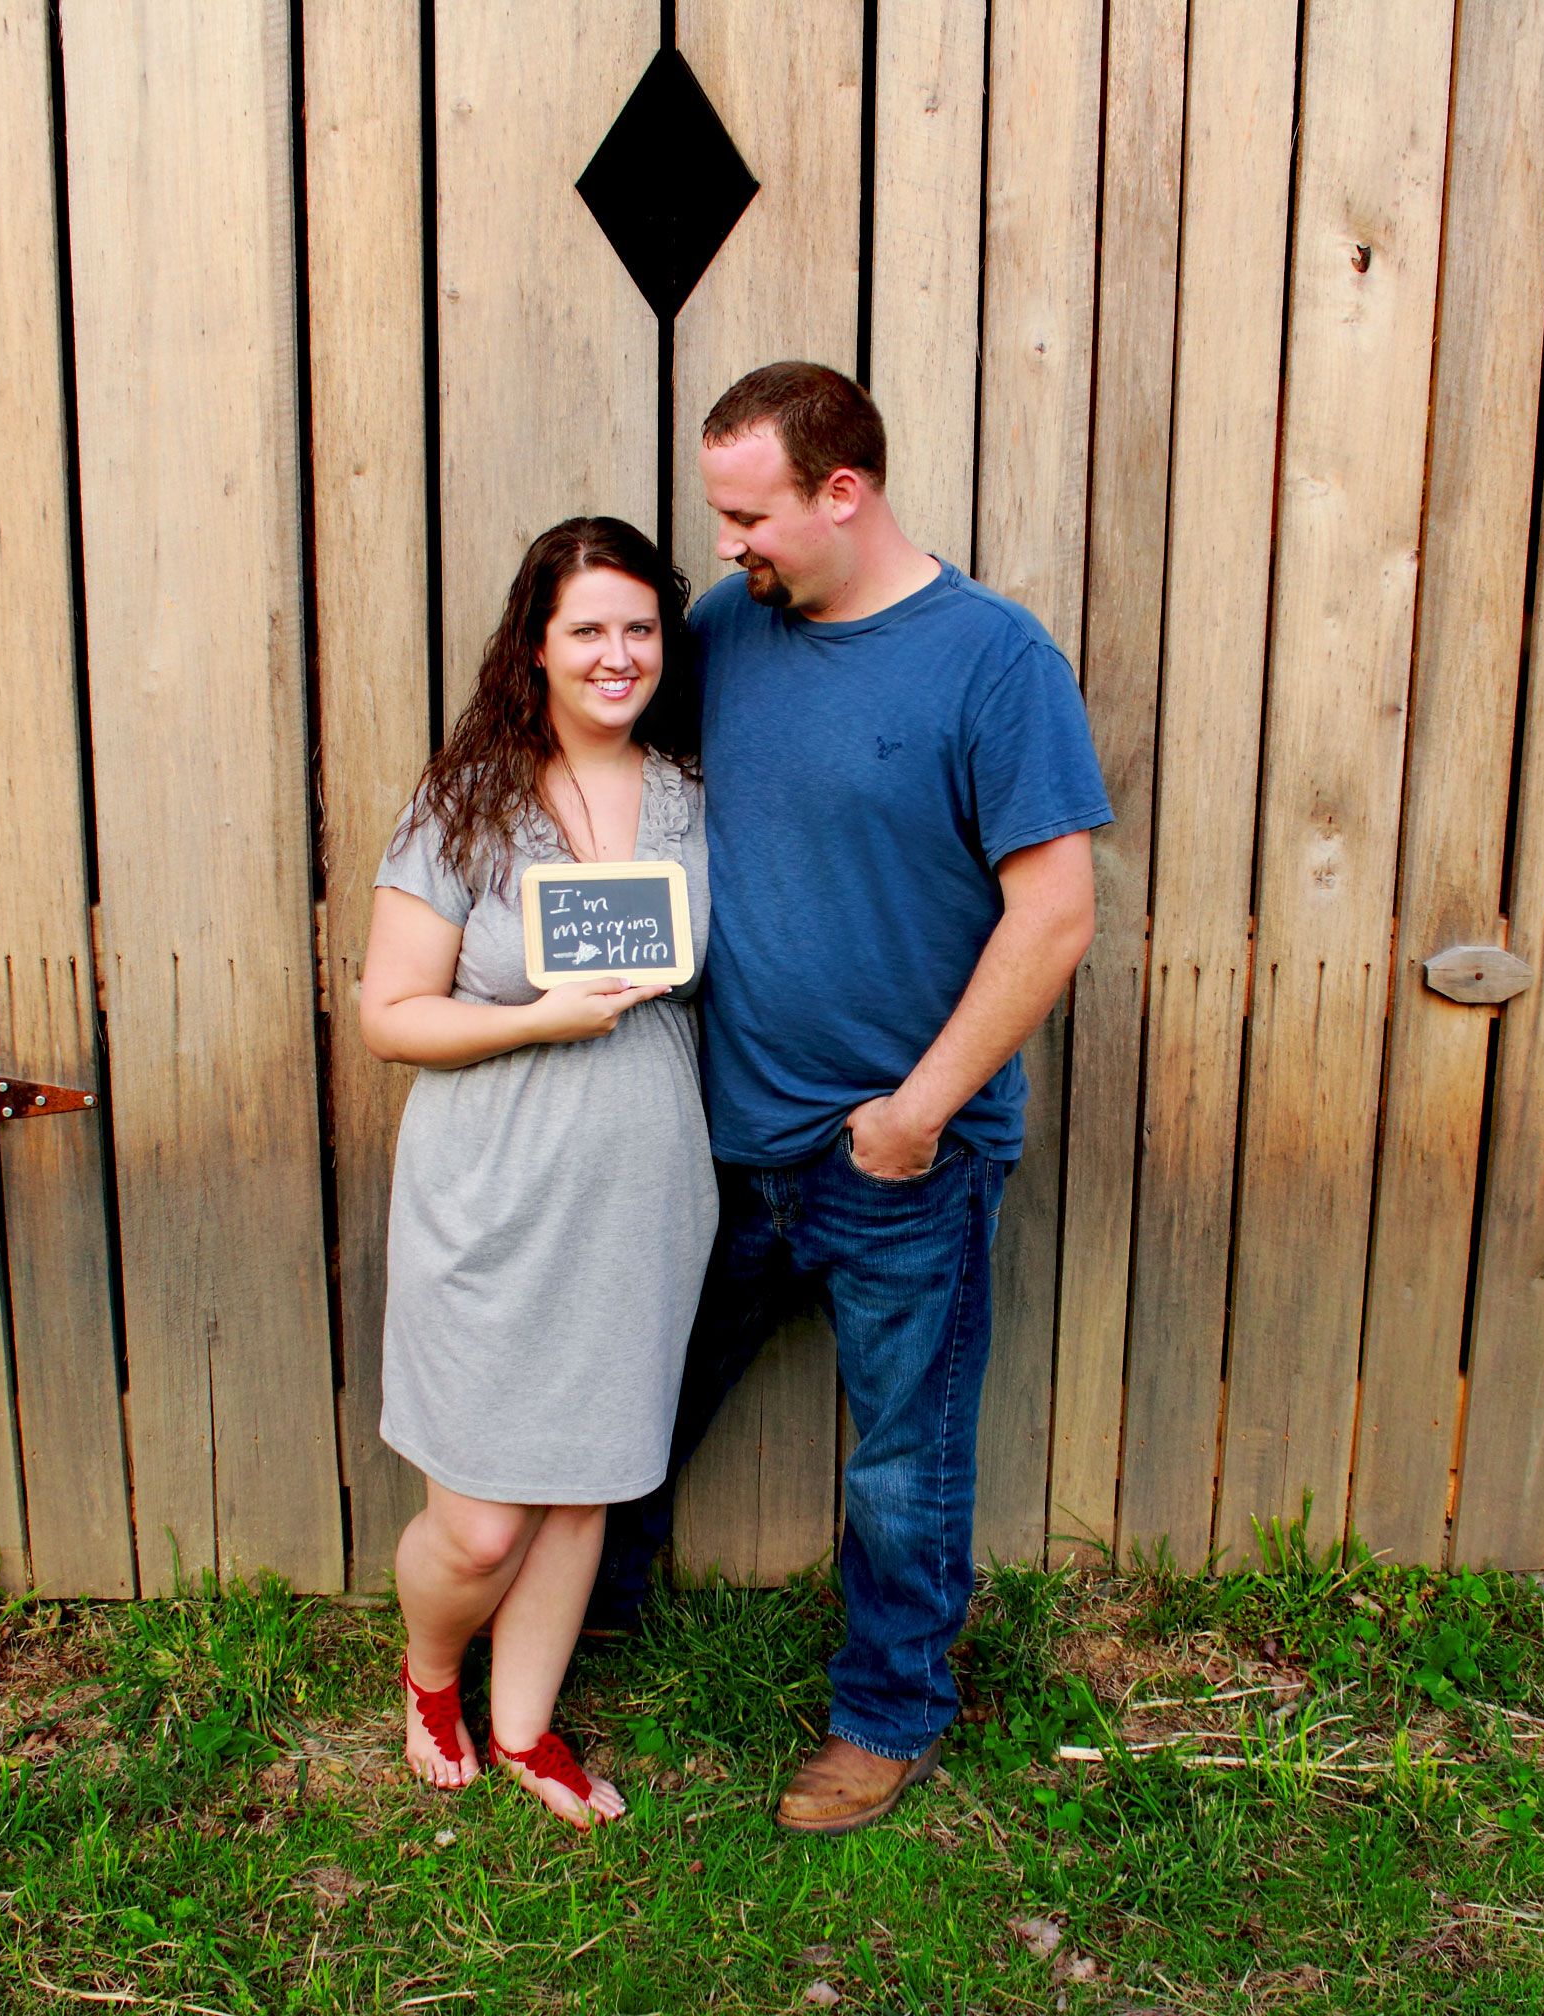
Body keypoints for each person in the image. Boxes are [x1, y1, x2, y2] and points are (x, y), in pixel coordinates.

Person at [600, 362, 1109, 1835]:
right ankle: (583, 1617)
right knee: (631, 1388)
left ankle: (888, 1713)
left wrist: (916, 1114)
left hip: (903, 1157)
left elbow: (1055, 916)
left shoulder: (994, 661)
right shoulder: (726, 630)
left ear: (843, 492)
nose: (726, 547)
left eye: (749, 516)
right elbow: (618, 759)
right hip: (722, 1135)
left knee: (904, 1462)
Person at [360, 516, 713, 1831]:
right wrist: (535, 1019)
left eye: (640, 628)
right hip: (491, 1195)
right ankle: (431, 1673)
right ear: (538, 646)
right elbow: (389, 1015)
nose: (618, 655)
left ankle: (522, 1727)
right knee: (482, 1525)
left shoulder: (691, 796)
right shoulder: (466, 803)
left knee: (586, 1484)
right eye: (589, 630)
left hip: (641, 1191)